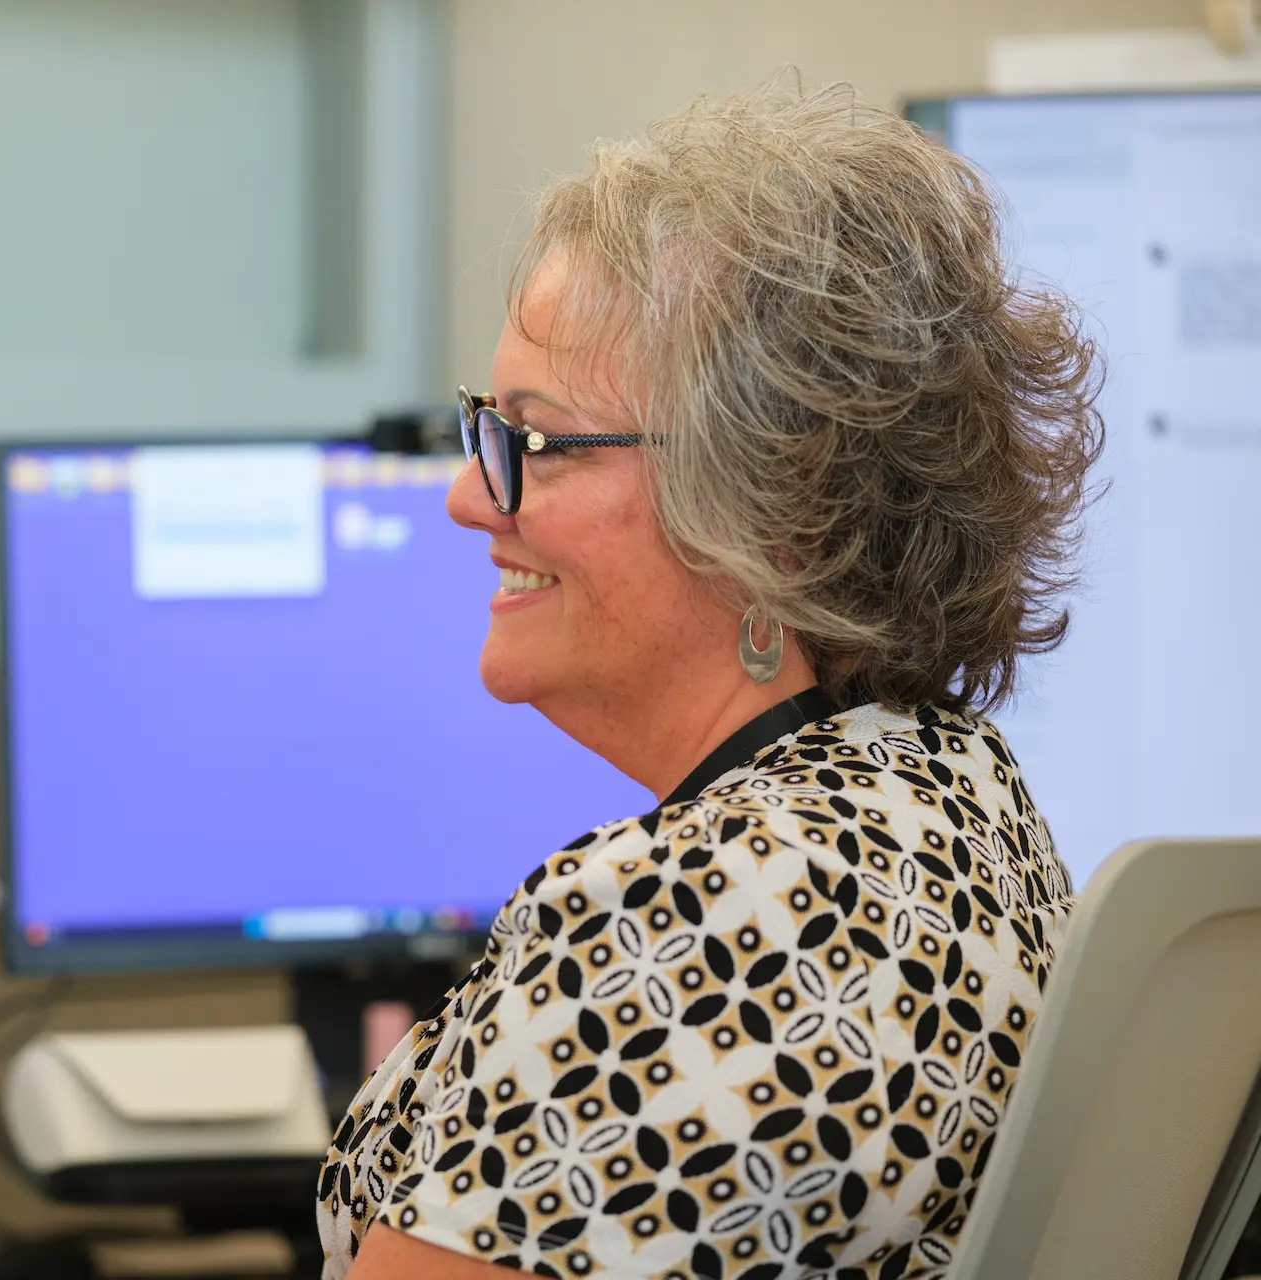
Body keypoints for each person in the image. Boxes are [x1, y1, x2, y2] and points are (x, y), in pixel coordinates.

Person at [319, 81, 1101, 1280]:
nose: (471, 496)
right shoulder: (953, 795)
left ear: (783, 514)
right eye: (486, 428)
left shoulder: (685, 926)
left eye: (535, 442)